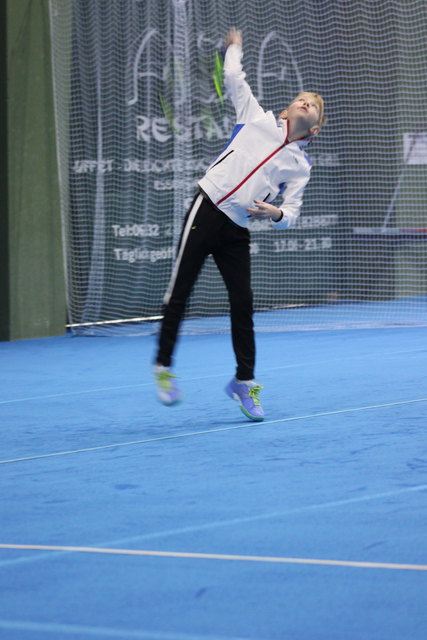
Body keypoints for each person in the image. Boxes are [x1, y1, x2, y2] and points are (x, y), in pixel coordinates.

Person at [153, 28, 326, 421]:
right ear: (286, 110)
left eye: (312, 105)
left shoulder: (300, 166)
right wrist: (234, 50)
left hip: (237, 229)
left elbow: (292, 214)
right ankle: (163, 367)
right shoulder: (256, 118)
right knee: (179, 290)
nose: (305, 102)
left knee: (243, 303)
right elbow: (234, 79)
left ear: (313, 128)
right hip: (208, 205)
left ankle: (244, 383)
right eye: (301, 98)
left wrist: (275, 214)